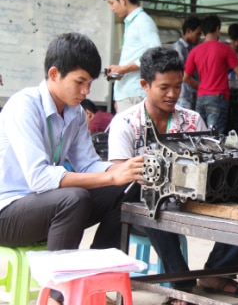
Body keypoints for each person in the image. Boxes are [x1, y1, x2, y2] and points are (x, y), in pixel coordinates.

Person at [0, 33, 144, 304]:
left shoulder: (75, 112)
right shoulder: (23, 106)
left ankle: (92, 282)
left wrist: (125, 170)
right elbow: (40, 178)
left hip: (44, 208)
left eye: (89, 83)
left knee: (126, 188)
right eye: (80, 82)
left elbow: (88, 163)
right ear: (54, 74)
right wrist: (109, 175)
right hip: (7, 213)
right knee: (72, 198)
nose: (86, 92)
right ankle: (58, 295)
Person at [108, 47, 238, 304]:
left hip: (191, 198)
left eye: (177, 87)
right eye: (164, 87)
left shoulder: (192, 119)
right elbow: (118, 176)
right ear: (145, 84)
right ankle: (181, 282)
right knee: (152, 201)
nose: (173, 94)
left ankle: (216, 272)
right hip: (143, 205)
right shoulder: (126, 123)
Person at [101, 0, 161, 113]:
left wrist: (124, 69)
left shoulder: (142, 22)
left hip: (136, 94)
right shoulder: (132, 22)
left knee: (134, 135)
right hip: (128, 94)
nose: (111, 8)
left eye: (112, 3)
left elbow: (155, 56)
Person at [183, 15, 238, 133]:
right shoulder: (225, 49)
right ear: (217, 29)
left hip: (201, 99)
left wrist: (201, 86)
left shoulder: (195, 51)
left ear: (203, 31)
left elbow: (186, 78)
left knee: (199, 136)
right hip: (218, 98)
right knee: (215, 138)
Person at [173, 16, 202, 110]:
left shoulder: (193, 48)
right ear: (188, 31)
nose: (199, 38)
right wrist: (201, 87)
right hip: (184, 95)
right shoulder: (179, 48)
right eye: (197, 34)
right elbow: (183, 75)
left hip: (193, 94)